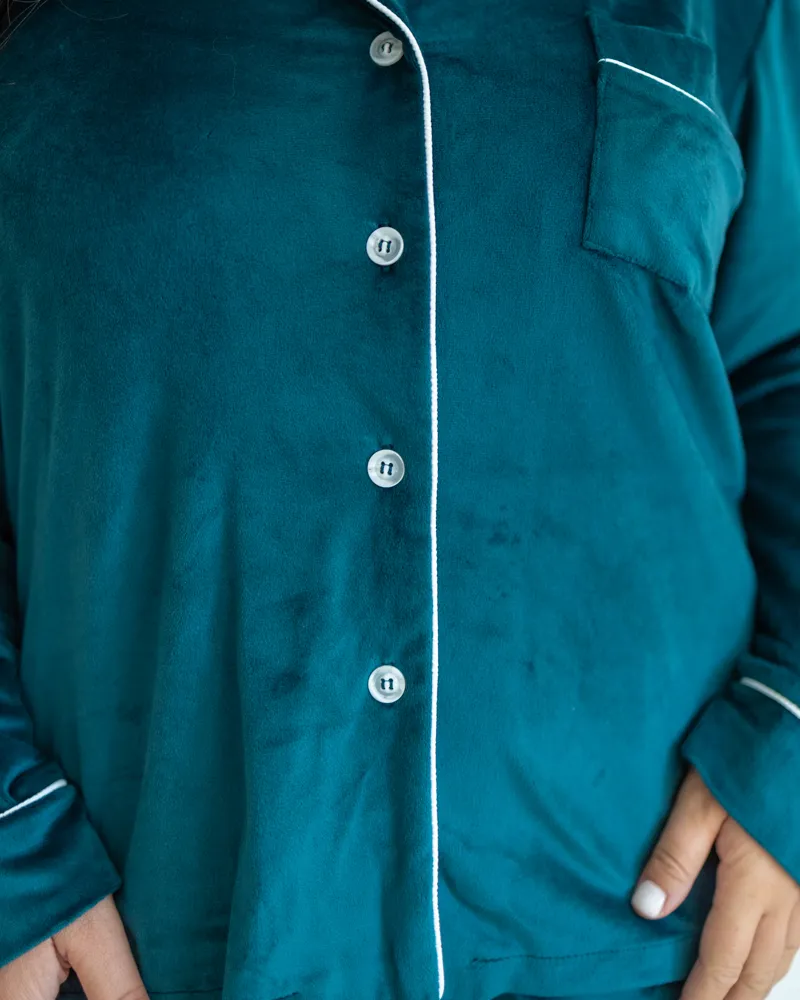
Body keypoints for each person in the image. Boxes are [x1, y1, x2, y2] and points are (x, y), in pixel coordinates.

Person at [0, 0, 798, 998]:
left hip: (628, 942)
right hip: (159, 944)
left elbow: (782, 365)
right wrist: (13, 845)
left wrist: (785, 745)